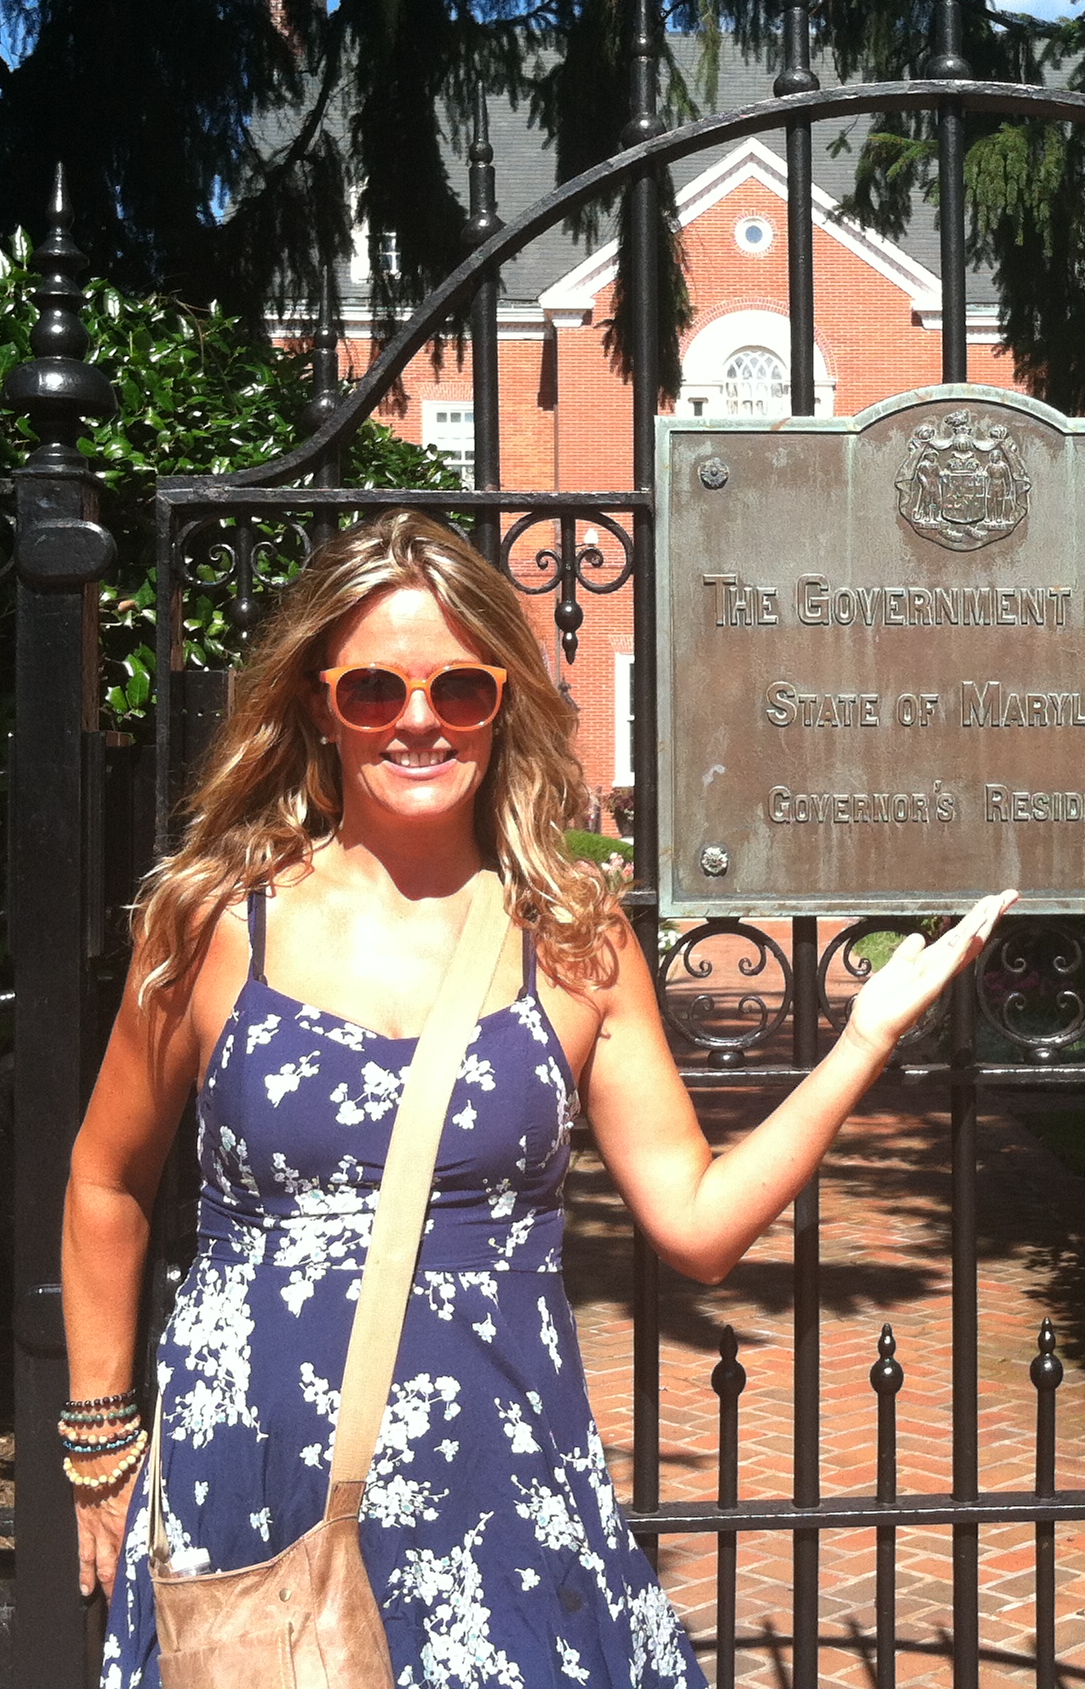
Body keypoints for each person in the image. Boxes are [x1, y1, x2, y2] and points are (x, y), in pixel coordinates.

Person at [64, 509, 1011, 1689]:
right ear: (319, 704)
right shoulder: (215, 920)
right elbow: (105, 1180)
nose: (418, 719)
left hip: (496, 1493)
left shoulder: (571, 937)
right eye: (376, 689)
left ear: (501, 703)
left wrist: (863, 1039)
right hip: (251, 1481)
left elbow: (699, 1224)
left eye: (459, 689)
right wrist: (99, 1445)